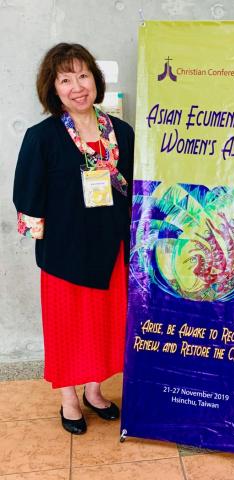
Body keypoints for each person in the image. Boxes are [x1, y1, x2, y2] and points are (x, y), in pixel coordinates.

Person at [13, 43, 134, 435]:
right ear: (54, 88)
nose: (77, 86)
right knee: (68, 329)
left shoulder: (122, 132)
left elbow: (135, 192)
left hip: (110, 250)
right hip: (64, 254)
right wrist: (41, 240)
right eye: (66, 79)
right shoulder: (42, 136)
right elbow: (27, 194)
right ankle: (69, 398)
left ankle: (95, 392)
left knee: (103, 325)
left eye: (83, 75)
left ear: (96, 81)